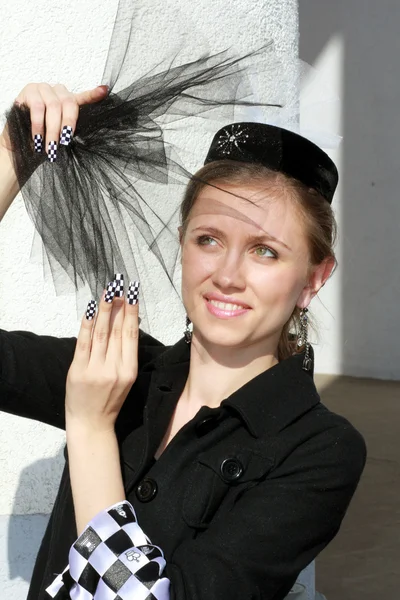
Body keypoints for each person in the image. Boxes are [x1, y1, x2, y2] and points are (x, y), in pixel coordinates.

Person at [0, 83, 366, 600]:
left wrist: (89, 427)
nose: (227, 274)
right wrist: (12, 154)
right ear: (182, 244)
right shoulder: (120, 368)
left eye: (265, 251)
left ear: (313, 278)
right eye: (208, 240)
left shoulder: (319, 451)